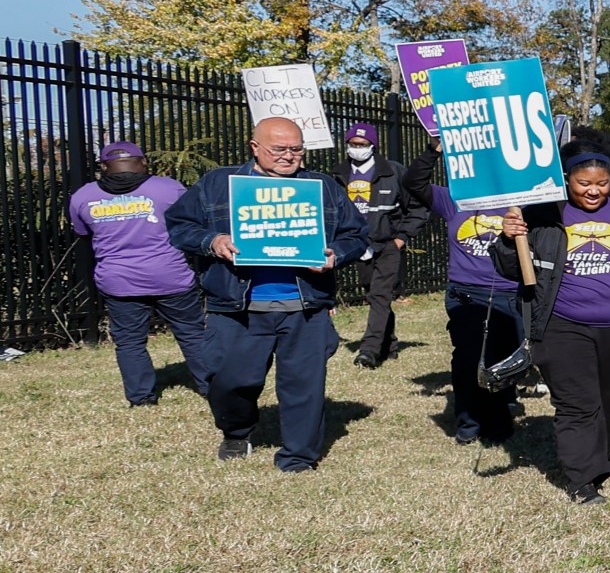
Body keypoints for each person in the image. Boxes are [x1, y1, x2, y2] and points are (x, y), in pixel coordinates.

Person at [165, 116, 368, 470]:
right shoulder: (219, 184)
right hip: (237, 305)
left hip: (305, 305)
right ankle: (237, 430)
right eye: (279, 149)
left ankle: (298, 458)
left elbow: (357, 235)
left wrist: (336, 253)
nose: (289, 156)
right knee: (230, 382)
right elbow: (179, 226)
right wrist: (212, 241)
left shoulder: (323, 186)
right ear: (255, 147)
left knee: (304, 387)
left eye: (296, 149)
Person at [494, 147, 610, 503]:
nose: (594, 190)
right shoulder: (539, 219)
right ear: (567, 180)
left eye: (602, 183)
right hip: (561, 326)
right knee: (576, 402)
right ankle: (582, 478)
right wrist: (508, 240)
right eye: (584, 183)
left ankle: (605, 459)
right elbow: (508, 268)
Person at [68, 141, 216, 407]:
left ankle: (141, 398)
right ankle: (212, 388)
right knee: (193, 334)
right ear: (144, 162)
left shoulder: (82, 196)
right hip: (171, 277)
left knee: (129, 342)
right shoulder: (169, 188)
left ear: (103, 166)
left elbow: (83, 236)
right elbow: (194, 222)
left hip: (119, 281)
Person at [402, 136, 524, 446]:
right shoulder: (454, 199)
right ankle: (468, 424)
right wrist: (433, 150)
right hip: (465, 294)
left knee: (503, 360)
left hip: (509, 294)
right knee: (468, 359)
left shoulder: (520, 203)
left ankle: (498, 424)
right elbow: (414, 183)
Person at [332, 120, 422, 368]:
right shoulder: (339, 175)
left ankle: (369, 351)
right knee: (374, 296)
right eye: (352, 144)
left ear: (373, 146)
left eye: (362, 144)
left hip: (387, 245)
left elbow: (416, 207)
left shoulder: (393, 172)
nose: (356, 148)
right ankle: (389, 344)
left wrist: (402, 238)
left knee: (380, 296)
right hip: (358, 246)